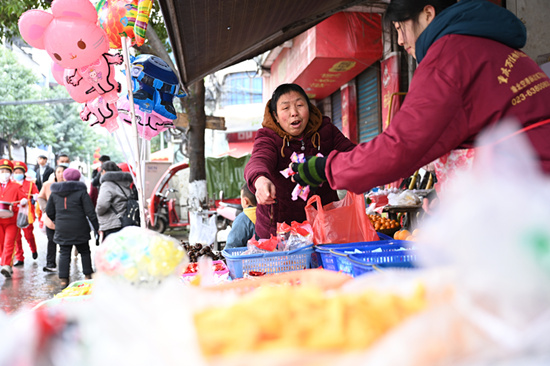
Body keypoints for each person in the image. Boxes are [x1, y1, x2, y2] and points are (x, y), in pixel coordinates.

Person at [291, 0, 550, 194]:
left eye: (400, 28)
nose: (401, 40)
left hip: (525, 192)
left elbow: (399, 148)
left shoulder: (447, 58)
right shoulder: (493, 46)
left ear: (428, 14)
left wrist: (328, 168)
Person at [244, 83, 356, 239]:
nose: (294, 113)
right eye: (285, 108)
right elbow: (258, 160)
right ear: (276, 116)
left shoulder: (325, 130)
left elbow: (352, 155)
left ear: (308, 109)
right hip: (280, 230)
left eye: (299, 105)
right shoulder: (268, 137)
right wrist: (260, 181)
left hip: (324, 227)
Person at [45, 168, 98, 288]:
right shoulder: (82, 192)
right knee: (84, 251)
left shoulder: (55, 192)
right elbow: (90, 212)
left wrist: (57, 221)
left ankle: (64, 280)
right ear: (79, 178)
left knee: (64, 252)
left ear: (64, 177)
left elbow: (49, 211)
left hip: (62, 228)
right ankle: (88, 276)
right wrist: (96, 227)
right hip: (80, 227)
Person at [37, 165, 67, 272]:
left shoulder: (70, 186)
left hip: (66, 219)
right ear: (55, 173)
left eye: (63, 172)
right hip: (51, 219)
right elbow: (40, 197)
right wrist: (46, 209)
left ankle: (65, 265)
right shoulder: (47, 185)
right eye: (58, 172)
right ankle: (50, 263)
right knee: (51, 240)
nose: (60, 174)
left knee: (65, 243)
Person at [0, 160, 27, 278]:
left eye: (7, 171)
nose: (4, 173)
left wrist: (23, 201)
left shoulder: (16, 186)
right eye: (2, 171)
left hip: (12, 220)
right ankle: (6, 262)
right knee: (1, 243)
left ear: (11, 173)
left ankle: (6, 265)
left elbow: (23, 199)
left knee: (9, 243)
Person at [95, 161, 134, 242]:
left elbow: (102, 205)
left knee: (111, 251)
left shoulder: (107, 184)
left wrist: (98, 212)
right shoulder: (125, 183)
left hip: (111, 224)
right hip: (124, 220)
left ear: (104, 171)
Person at [11, 161, 39, 266]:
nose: (17, 174)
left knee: (28, 235)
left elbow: (36, 194)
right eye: (15, 172)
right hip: (14, 213)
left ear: (24, 173)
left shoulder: (30, 184)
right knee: (16, 237)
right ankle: (19, 257)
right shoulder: (11, 184)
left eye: (19, 172)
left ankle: (33, 249)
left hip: (26, 213)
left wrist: (35, 197)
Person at [225, 183, 257, 248]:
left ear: (245, 201)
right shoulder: (269, 213)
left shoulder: (243, 218)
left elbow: (231, 245)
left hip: (250, 257)